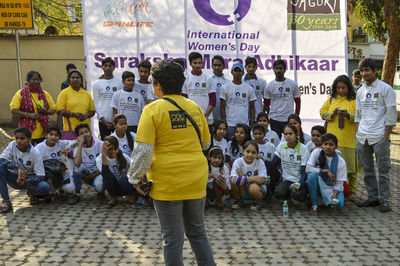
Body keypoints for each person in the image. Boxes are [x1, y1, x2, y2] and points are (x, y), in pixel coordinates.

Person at [127, 60, 215, 265]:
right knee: (198, 233)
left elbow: (143, 151)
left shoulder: (152, 110)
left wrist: (134, 177)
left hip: (167, 182)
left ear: (157, 85)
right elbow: (206, 143)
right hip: (196, 178)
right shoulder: (194, 107)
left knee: (172, 238)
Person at [355, 58, 397, 212]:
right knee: (367, 170)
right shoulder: (360, 91)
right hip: (362, 136)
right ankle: (373, 197)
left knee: (384, 170)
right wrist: (357, 132)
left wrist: (386, 135)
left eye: (367, 70)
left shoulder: (386, 89)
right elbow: (358, 114)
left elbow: (391, 113)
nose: (364, 73)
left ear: (375, 71)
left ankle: (384, 201)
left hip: (380, 136)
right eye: (362, 71)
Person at [320, 75, 359, 201]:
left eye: (343, 88)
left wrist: (348, 115)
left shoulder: (354, 100)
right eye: (338, 88)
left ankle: (352, 192)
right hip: (332, 140)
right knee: (333, 166)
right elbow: (322, 113)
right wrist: (333, 114)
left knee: (351, 169)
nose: (340, 90)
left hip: (348, 139)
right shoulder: (331, 99)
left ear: (349, 87)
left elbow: (360, 116)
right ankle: (334, 189)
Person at [0, 127, 50, 213]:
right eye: (17, 138)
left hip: (29, 181)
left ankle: (33, 193)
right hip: (14, 178)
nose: (19, 141)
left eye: (22, 138)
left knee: (44, 187)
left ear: (30, 140)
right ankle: (6, 201)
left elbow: (41, 176)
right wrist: (17, 167)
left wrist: (26, 180)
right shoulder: (12, 145)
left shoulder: (35, 153)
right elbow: (2, 159)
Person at [10, 71, 57, 145]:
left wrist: (45, 111)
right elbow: (13, 110)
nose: (36, 82)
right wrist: (29, 115)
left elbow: (53, 109)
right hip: (26, 132)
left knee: (41, 154)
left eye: (38, 80)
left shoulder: (45, 94)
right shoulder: (20, 93)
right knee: (27, 154)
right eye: (33, 79)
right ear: (28, 81)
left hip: (43, 131)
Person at [306, 133, 347, 215]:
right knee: (311, 176)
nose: (328, 147)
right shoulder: (316, 153)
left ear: (336, 147)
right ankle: (314, 205)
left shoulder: (341, 161)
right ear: (322, 145)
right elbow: (308, 168)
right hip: (319, 183)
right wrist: (326, 171)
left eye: (331, 145)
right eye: (325, 144)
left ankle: (328, 201)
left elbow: (339, 182)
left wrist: (334, 195)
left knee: (338, 204)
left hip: (333, 187)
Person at [268, 125, 309, 204]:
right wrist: (263, 160)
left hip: (299, 180)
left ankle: (306, 199)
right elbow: (274, 164)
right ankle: (288, 198)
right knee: (278, 193)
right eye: (285, 134)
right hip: (287, 179)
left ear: (296, 134)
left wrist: (299, 184)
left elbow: (304, 170)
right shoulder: (281, 146)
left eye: (290, 134)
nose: (288, 136)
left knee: (298, 194)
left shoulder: (304, 148)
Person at [264, 60, 301, 138]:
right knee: (276, 141)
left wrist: (296, 116)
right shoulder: (269, 85)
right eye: (276, 68)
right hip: (274, 119)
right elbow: (266, 103)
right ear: (273, 69)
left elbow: (298, 101)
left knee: (290, 140)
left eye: (281, 68)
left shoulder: (292, 83)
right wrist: (270, 115)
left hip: (288, 119)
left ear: (285, 70)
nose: (278, 71)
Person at [96, 136, 137, 208]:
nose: (113, 152)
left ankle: (133, 197)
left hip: (124, 184)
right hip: (113, 185)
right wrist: (104, 154)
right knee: (107, 176)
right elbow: (105, 173)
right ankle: (113, 197)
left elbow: (135, 166)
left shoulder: (124, 157)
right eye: (110, 149)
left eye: (115, 149)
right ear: (105, 149)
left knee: (125, 178)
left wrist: (129, 171)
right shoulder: (99, 159)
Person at [69, 124, 104, 205]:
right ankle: (77, 193)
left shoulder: (100, 144)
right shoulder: (77, 147)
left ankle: (101, 191)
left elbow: (106, 165)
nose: (85, 134)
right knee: (77, 169)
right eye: (81, 133)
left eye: (86, 132)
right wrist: (80, 144)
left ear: (90, 132)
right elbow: (77, 164)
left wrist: (95, 174)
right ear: (78, 137)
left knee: (99, 186)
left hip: (98, 172)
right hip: (85, 173)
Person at [35, 126, 77, 194]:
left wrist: (67, 148)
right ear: (46, 135)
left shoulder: (61, 143)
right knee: (49, 190)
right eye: (51, 134)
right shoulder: (39, 147)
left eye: (56, 135)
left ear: (59, 137)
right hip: (47, 174)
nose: (53, 137)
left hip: (61, 172)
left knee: (70, 189)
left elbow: (76, 142)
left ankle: (61, 188)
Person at [220, 62, 256, 140]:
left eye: (239, 71)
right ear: (231, 72)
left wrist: (252, 123)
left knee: (244, 147)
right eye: (235, 71)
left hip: (244, 124)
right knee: (231, 146)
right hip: (230, 124)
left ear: (243, 73)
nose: (237, 73)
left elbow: (252, 107)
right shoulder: (225, 87)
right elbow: (222, 107)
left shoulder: (249, 88)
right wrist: (224, 122)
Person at [230, 140, 268, 211]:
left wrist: (243, 177)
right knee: (231, 180)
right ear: (243, 151)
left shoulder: (260, 162)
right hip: (243, 190)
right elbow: (233, 179)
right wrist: (252, 178)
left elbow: (264, 180)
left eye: (253, 152)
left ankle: (258, 202)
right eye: (248, 151)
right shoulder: (238, 162)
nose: (250, 155)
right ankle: (238, 200)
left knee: (253, 187)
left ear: (257, 154)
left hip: (256, 190)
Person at [93, 57, 123, 140]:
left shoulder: (120, 82)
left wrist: (116, 119)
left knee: (118, 143)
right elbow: (96, 103)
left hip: (117, 121)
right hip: (103, 121)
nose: (108, 68)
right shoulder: (97, 83)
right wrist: (103, 120)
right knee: (105, 144)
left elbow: (120, 102)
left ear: (114, 67)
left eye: (110, 66)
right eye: (105, 65)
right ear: (102, 67)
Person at [182, 52, 216, 126]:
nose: (198, 65)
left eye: (200, 63)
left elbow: (213, 100)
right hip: (191, 118)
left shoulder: (208, 78)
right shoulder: (186, 79)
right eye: (195, 63)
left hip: (207, 118)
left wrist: (205, 115)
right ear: (190, 63)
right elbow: (184, 99)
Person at [206, 146, 231, 212]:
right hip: (207, 192)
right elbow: (199, 178)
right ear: (209, 157)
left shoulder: (224, 168)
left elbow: (228, 191)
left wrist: (225, 187)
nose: (217, 160)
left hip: (219, 193)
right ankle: (206, 202)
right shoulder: (205, 166)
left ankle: (219, 202)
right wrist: (212, 175)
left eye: (219, 158)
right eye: (214, 157)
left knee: (219, 180)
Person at [243, 56, 267, 121]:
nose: (251, 69)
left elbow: (266, 100)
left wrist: (263, 112)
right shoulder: (241, 81)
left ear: (256, 68)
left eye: (253, 67)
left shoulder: (262, 82)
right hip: (243, 117)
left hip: (258, 117)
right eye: (249, 66)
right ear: (245, 67)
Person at [208, 55, 229, 122]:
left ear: (223, 66)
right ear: (212, 66)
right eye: (215, 65)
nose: (217, 67)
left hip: (224, 118)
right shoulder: (207, 80)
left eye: (219, 65)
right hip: (210, 117)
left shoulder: (228, 82)